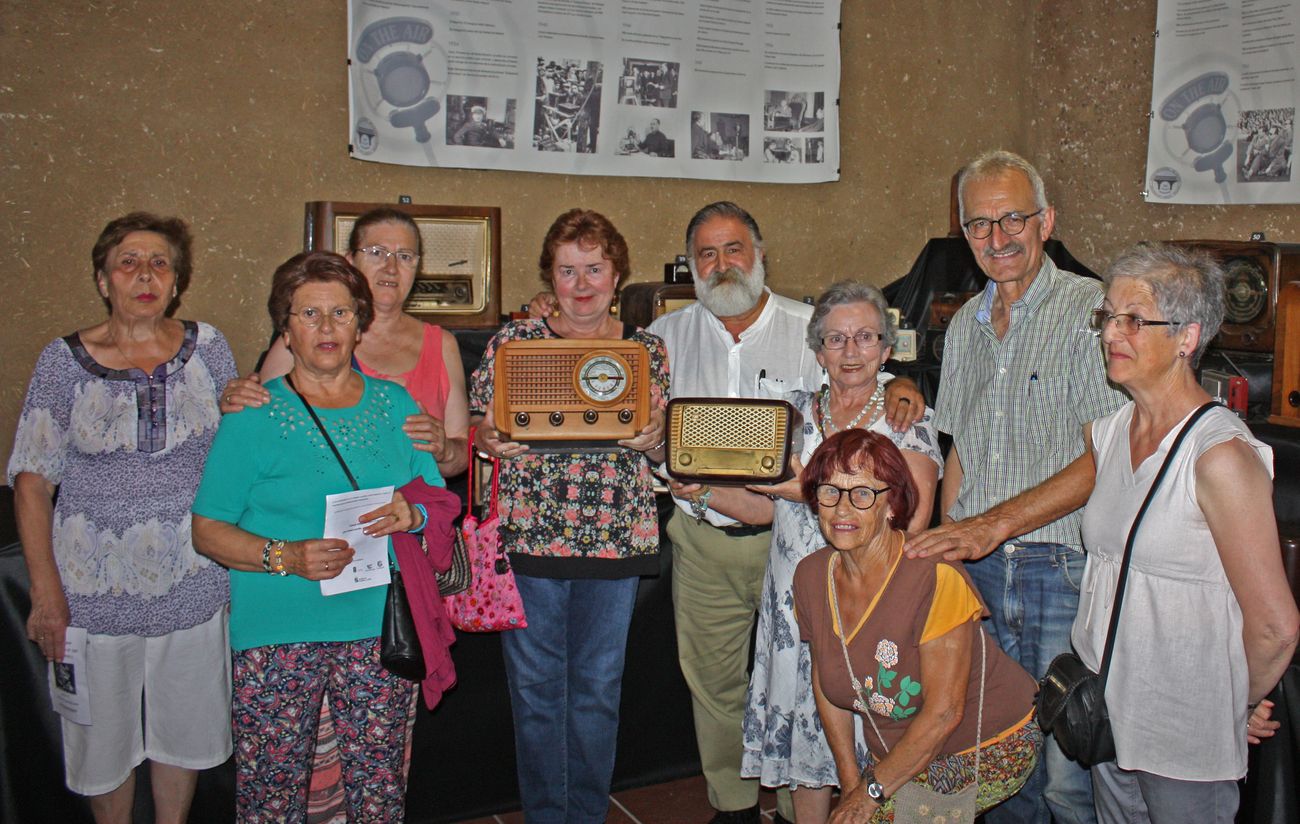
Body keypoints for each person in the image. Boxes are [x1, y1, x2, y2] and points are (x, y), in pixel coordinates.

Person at [913, 243, 1300, 822]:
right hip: (1106, 716)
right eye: (1108, 317)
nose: (1111, 333)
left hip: (1181, 731)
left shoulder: (1218, 456)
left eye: (1134, 320)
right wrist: (978, 527)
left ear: (1188, 337)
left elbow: (1275, 625)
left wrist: (1235, 703)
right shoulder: (1116, 430)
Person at [648, 202, 924, 824]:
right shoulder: (662, 340)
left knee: (815, 683)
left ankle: (825, 805)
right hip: (703, 535)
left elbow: (867, 384)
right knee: (715, 684)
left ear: (761, 253)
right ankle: (735, 805)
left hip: (808, 550)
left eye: (734, 249)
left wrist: (907, 385)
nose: (722, 264)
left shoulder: (809, 329)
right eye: (708, 254)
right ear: (691, 265)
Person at [218, 206, 471, 821]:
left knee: (379, 777)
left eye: (405, 254)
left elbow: (448, 470)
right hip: (285, 609)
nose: (391, 266)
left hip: (375, 600)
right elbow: (259, 434)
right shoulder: (284, 365)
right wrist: (234, 399)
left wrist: (434, 457)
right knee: (280, 782)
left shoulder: (421, 367)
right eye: (376, 251)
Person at [907, 150, 1127, 824]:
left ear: (1046, 221)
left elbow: (1105, 459)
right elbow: (961, 452)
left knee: (1067, 776)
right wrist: (946, 548)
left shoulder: (1093, 312)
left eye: (1013, 220)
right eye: (979, 226)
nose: (997, 239)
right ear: (962, 234)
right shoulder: (966, 324)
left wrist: (992, 525)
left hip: (1059, 570)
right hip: (979, 574)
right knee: (996, 761)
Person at [9, 212, 236, 823]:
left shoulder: (208, 348)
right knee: (102, 743)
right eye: (128, 262)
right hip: (91, 592)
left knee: (185, 733)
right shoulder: (61, 362)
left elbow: (236, 455)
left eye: (160, 263)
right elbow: (32, 483)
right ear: (103, 279)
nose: (145, 274)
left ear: (177, 282)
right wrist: (46, 592)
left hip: (193, 580)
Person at [470, 209, 669, 824]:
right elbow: (479, 425)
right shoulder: (514, 342)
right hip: (529, 538)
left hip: (616, 540)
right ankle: (544, 815)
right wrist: (488, 437)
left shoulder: (647, 350)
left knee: (597, 694)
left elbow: (663, 448)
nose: (581, 285)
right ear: (549, 277)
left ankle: (584, 815)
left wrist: (657, 439)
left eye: (594, 269)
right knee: (534, 694)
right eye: (566, 271)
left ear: (617, 274)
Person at [730, 282, 944, 823]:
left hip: (867, 608)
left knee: (877, 742)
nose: (851, 351)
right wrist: (691, 481)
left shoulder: (906, 418)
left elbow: (910, 517)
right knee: (807, 757)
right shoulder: (789, 413)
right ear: (817, 350)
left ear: (887, 349)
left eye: (866, 337)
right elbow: (763, 508)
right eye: (836, 338)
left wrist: (803, 489)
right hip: (791, 607)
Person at [793, 429, 1041, 823]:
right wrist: (850, 779)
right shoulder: (810, 576)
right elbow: (827, 684)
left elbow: (944, 713)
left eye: (861, 494)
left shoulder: (933, 574)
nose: (842, 510)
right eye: (829, 492)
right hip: (898, 747)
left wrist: (868, 794)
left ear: (891, 504)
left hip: (986, 743)